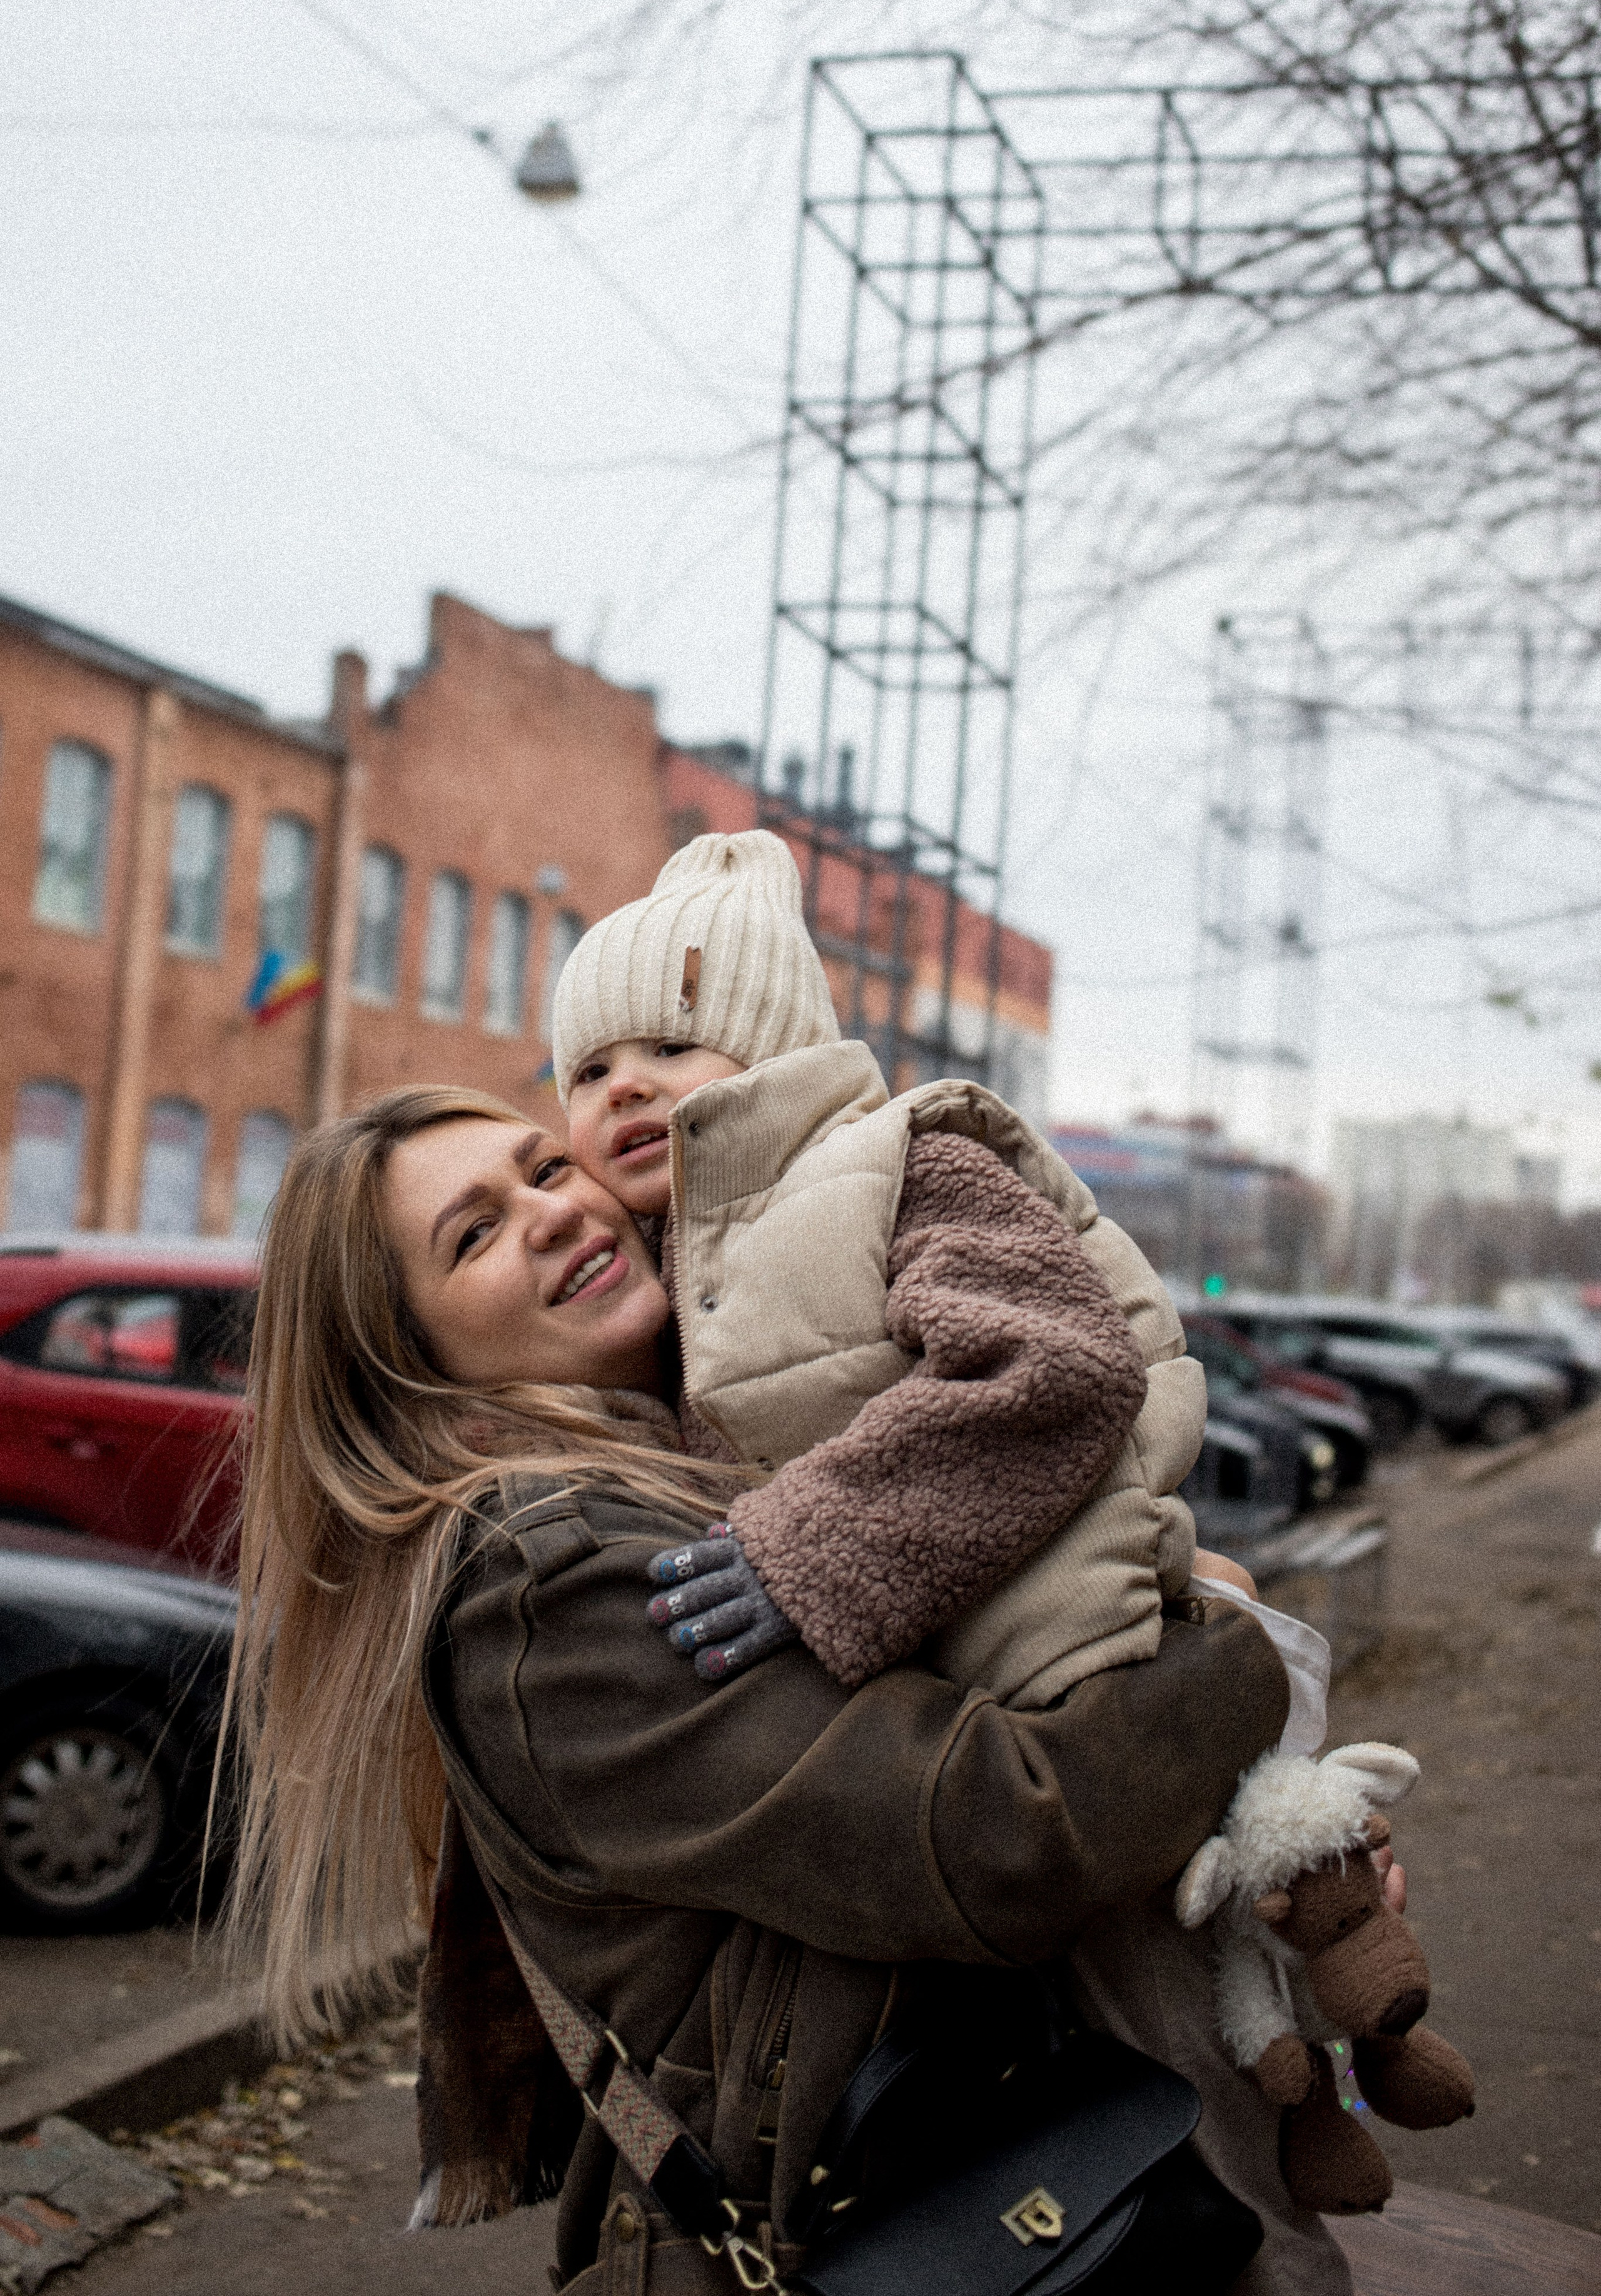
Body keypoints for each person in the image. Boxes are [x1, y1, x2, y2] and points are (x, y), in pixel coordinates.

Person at [224, 1084, 1331, 2296]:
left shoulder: (709, 1466)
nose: (548, 1213)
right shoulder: (548, 1580)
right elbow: (1000, 1830)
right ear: (409, 1364)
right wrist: (1230, 1641)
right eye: (472, 1235)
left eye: (545, 1169)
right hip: (855, 2231)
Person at [554, 828, 1253, 1698]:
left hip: (1066, 1650)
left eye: (669, 1049)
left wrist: (809, 1558)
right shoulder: (654, 1271)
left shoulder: (902, 1169)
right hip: (902, 1698)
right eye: (588, 1071)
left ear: (778, 1054)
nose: (623, 1085)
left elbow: (1055, 1366)